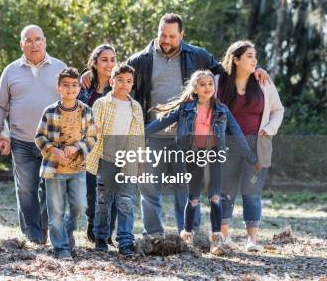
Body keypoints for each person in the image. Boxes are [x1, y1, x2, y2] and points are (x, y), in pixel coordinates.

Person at [83, 13, 269, 236]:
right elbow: (116, 77)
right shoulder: (141, 59)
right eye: (163, 35)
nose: (167, 40)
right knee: (149, 186)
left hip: (187, 137)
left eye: (172, 36)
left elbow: (226, 72)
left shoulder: (197, 55)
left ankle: (188, 234)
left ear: (182, 35)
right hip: (152, 133)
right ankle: (154, 235)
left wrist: (254, 70)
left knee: (186, 186)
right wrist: (91, 75)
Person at [146, 70, 259, 255]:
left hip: (215, 155)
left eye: (210, 84)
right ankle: (187, 236)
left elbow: (237, 132)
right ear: (195, 88)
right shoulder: (185, 109)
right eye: (203, 84)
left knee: (215, 197)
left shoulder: (222, 109)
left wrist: (250, 155)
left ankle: (216, 240)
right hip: (193, 156)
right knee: (194, 199)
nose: (207, 87)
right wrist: (139, 133)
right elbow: (161, 122)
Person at [0, 25, 67, 244]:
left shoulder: (59, 67)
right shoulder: (11, 70)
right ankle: (32, 235)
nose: (34, 44)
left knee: (51, 189)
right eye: (29, 40)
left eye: (38, 40)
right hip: (21, 141)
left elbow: (73, 99)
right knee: (26, 189)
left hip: (53, 142)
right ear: (21, 44)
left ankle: (44, 228)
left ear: (45, 41)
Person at [216, 40, 284, 252]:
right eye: (249, 56)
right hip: (226, 145)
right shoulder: (218, 82)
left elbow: (278, 110)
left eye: (255, 56)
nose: (255, 60)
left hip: (256, 145)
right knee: (225, 191)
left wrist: (269, 129)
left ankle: (252, 240)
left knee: (252, 192)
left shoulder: (263, 82)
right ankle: (223, 237)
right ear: (236, 60)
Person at [35, 67, 97, 260]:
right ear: (58, 88)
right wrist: (54, 150)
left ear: (79, 87)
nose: (70, 89)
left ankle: (67, 232)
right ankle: (61, 248)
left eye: (74, 85)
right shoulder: (50, 111)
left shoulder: (85, 111)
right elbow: (39, 137)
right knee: (56, 211)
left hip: (77, 168)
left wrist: (77, 147)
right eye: (66, 85)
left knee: (79, 206)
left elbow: (92, 138)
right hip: (54, 169)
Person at [86, 63, 145, 256]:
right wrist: (96, 130)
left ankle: (125, 242)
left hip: (128, 160)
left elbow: (139, 137)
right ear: (111, 81)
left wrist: (140, 163)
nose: (124, 84)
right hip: (106, 159)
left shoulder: (135, 107)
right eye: (119, 80)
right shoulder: (102, 103)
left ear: (132, 84)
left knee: (125, 202)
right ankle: (101, 238)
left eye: (128, 81)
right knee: (103, 200)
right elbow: (92, 129)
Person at [77, 44, 118, 244]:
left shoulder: (119, 85)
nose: (109, 63)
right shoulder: (84, 86)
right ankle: (93, 225)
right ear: (95, 62)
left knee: (111, 191)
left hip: (112, 146)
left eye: (112, 59)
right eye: (104, 59)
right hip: (88, 146)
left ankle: (107, 232)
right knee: (91, 191)